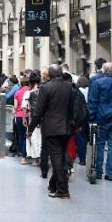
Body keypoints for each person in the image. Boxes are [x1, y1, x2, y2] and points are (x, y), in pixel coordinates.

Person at [28, 64, 73, 198]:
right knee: (61, 157)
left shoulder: (46, 88)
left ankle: (63, 190)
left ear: (50, 75)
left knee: (56, 159)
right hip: (66, 127)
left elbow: (38, 111)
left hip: (51, 128)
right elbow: (72, 108)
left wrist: (31, 128)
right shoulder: (70, 86)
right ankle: (54, 185)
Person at [87, 61, 112, 181]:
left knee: (99, 144)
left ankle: (98, 172)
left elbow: (93, 102)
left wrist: (91, 118)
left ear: (103, 70)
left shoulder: (97, 82)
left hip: (101, 117)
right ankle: (111, 173)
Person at [74, 75, 90, 166]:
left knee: (80, 138)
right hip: (89, 117)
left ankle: (82, 159)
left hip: (80, 117)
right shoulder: (90, 91)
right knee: (88, 138)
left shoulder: (78, 92)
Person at [13, 74, 30, 162]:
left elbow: (15, 106)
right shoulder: (31, 91)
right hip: (28, 116)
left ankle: (23, 155)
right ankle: (29, 155)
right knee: (30, 135)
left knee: (21, 136)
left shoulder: (17, 92)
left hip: (19, 116)